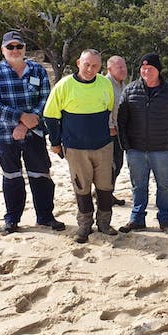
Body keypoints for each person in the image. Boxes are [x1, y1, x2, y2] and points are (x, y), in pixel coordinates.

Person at [0, 31, 65, 235]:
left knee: (41, 176)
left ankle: (45, 217)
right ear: (2, 50)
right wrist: (20, 118)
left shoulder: (38, 71)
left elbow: (46, 100)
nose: (15, 50)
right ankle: (12, 219)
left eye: (18, 46)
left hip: (35, 133)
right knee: (11, 177)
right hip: (6, 135)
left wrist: (28, 124)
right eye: (10, 47)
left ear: (24, 49)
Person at [43, 49, 116, 243]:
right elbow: (50, 116)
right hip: (75, 148)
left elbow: (108, 110)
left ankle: (104, 223)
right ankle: (84, 225)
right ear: (78, 63)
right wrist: (56, 142)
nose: (90, 69)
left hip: (103, 146)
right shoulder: (64, 85)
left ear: (100, 66)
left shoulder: (105, 84)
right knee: (81, 186)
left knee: (105, 187)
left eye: (95, 66)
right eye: (87, 64)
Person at [117, 53, 168, 235]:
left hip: (162, 150)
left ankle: (165, 220)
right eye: (143, 68)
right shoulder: (130, 90)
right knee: (138, 187)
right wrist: (126, 145)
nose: (146, 71)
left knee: (164, 187)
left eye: (150, 68)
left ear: (158, 70)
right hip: (136, 150)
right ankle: (137, 219)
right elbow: (122, 121)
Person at [106, 55, 127, 207]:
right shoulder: (106, 83)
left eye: (124, 66)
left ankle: (108, 192)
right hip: (110, 131)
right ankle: (105, 194)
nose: (123, 69)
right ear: (109, 69)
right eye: (119, 67)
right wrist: (110, 126)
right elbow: (104, 106)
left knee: (117, 164)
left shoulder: (122, 85)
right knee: (112, 164)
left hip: (121, 131)